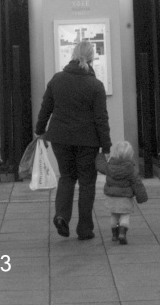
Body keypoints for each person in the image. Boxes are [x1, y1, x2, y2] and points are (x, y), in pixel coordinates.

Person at [35, 41, 111, 241]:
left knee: (67, 177)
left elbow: (46, 108)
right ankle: (84, 229)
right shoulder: (96, 85)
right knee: (87, 182)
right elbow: (101, 118)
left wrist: (40, 130)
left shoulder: (57, 79)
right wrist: (106, 145)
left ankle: (62, 216)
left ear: (73, 55)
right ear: (92, 58)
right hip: (88, 140)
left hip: (60, 138)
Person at [94, 140, 147, 245]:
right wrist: (142, 197)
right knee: (125, 215)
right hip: (125, 198)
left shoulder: (109, 166)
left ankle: (114, 235)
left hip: (111, 197)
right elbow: (137, 184)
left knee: (114, 215)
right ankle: (122, 233)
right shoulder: (131, 169)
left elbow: (100, 165)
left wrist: (100, 155)